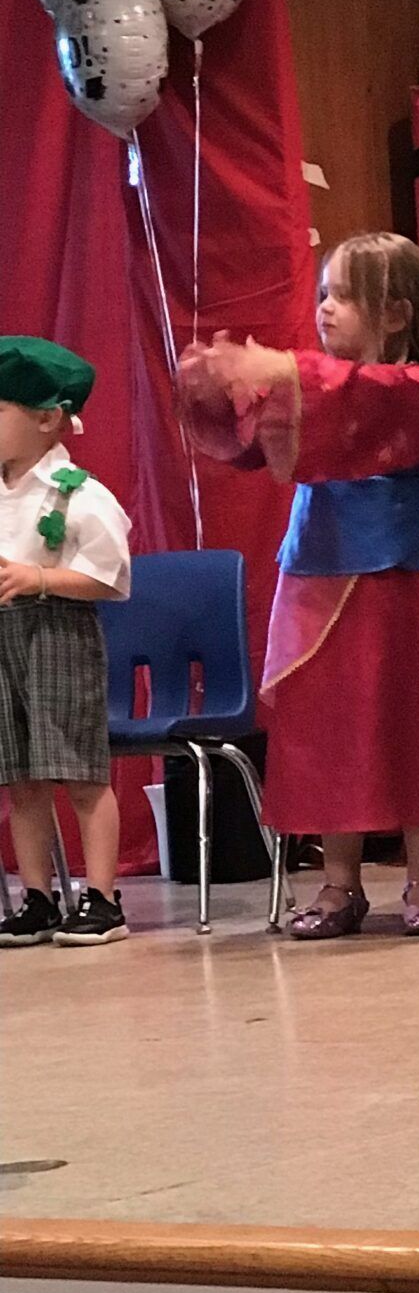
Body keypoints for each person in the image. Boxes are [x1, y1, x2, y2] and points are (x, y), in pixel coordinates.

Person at [176, 233, 419, 938]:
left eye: (345, 295)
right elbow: (254, 441)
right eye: (324, 292)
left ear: (398, 313)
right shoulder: (313, 384)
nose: (326, 308)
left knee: (414, 719)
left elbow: (360, 396)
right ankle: (339, 882)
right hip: (319, 565)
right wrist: (221, 389)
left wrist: (279, 369)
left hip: (402, 573)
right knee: (329, 726)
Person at [0, 337, 131, 946]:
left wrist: (40, 577)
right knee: (20, 776)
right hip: (3, 637)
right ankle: (37, 896)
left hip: (56, 631)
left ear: (47, 418)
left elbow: (111, 577)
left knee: (79, 771)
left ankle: (101, 896)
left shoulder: (78, 493)